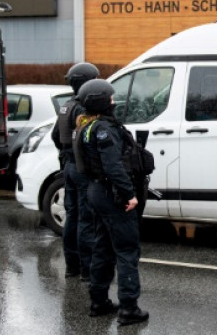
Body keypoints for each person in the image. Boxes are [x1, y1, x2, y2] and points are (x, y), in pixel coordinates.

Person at [74, 78, 149, 325]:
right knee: (127, 250)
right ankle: (129, 308)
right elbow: (113, 166)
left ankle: (99, 301)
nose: (114, 102)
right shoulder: (104, 129)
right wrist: (130, 194)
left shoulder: (88, 126)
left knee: (103, 248)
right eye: (111, 98)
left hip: (98, 192)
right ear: (101, 101)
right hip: (111, 194)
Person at [52, 62, 99, 281]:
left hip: (68, 166)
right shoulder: (82, 108)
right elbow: (89, 139)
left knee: (72, 216)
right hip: (81, 168)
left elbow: (55, 136)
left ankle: (72, 266)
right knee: (85, 218)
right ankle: (86, 269)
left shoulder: (66, 105)